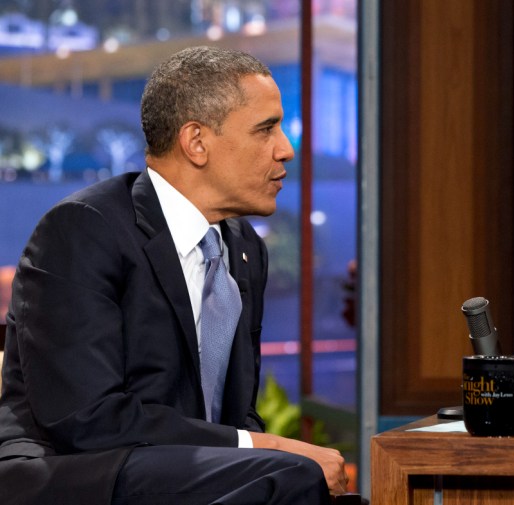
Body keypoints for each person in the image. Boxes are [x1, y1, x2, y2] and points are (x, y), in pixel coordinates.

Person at [0, 46, 348, 504]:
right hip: (71, 470)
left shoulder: (244, 248)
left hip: (182, 467)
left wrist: (257, 449)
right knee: (290, 474)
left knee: (310, 482)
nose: (285, 149)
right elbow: (87, 419)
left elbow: (236, 415)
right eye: (266, 129)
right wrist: (269, 448)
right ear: (196, 142)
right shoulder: (83, 229)